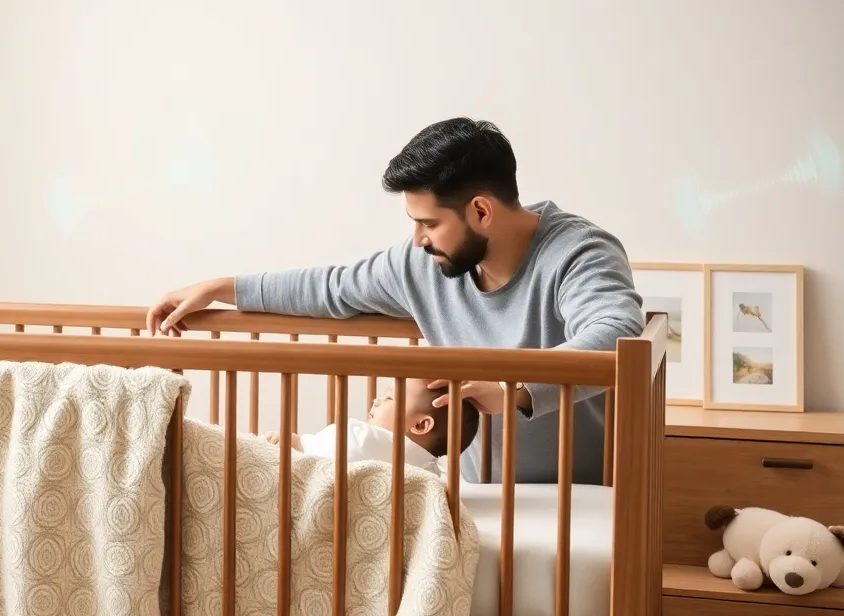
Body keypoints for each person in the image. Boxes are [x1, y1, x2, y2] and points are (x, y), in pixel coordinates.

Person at [146, 117, 644, 485]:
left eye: (428, 223)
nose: (417, 240)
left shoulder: (578, 251)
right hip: (478, 493)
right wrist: (219, 289)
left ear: (480, 210)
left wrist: (513, 384)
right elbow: (332, 287)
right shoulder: (423, 266)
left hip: (578, 492)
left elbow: (617, 331)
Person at [264, 379, 480, 474]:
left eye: (389, 398)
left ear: (421, 425)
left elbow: (332, 447)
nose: (376, 400)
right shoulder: (429, 471)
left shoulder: (366, 439)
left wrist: (297, 442)